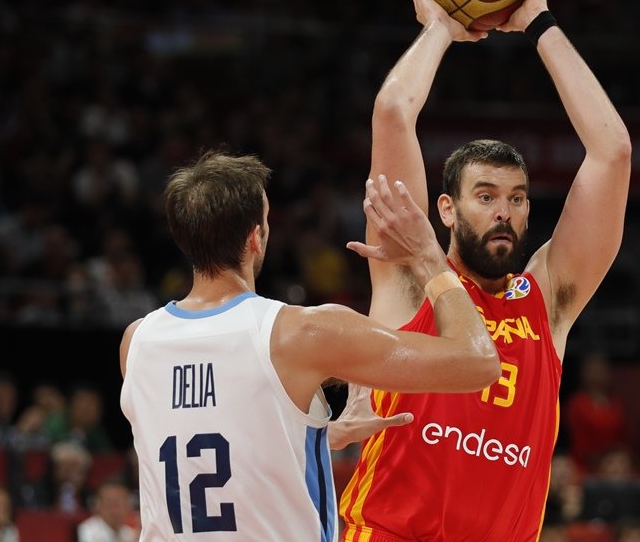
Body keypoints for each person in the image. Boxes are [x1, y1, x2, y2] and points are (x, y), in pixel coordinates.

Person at [339, 0, 631, 541]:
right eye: (487, 196)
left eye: (517, 199)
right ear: (445, 209)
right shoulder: (406, 270)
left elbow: (613, 152)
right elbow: (394, 111)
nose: (505, 213)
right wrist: (440, 28)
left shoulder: (548, 298)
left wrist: (539, 23)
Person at [119, 151, 499, 540]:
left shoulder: (138, 342)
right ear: (255, 237)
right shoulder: (300, 333)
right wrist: (430, 257)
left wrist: (317, 436)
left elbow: (206, 440)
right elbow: (477, 362)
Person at [566, 353, 630, 473]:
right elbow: (578, 438)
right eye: (594, 370)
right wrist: (597, 460)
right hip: (585, 465)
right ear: (584, 373)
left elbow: (623, 437)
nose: (598, 374)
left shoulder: (615, 404)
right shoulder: (577, 403)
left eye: (602, 370)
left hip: (614, 465)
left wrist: (616, 460)